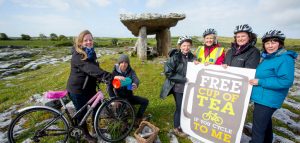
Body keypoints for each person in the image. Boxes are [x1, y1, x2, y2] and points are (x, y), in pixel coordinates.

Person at [249, 30, 297, 143]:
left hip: (268, 100)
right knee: (265, 127)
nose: (270, 45)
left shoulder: (284, 58)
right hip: (263, 97)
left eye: (273, 42)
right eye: (267, 43)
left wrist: (260, 82)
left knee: (257, 131)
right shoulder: (270, 57)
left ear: (280, 44)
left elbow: (286, 81)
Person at [66, 30, 113, 142]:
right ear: (80, 42)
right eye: (85, 40)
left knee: (97, 107)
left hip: (89, 88)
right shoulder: (78, 56)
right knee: (82, 115)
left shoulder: (91, 53)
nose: (88, 42)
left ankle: (96, 128)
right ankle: (86, 135)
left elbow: (95, 70)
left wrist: (101, 78)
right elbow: (89, 69)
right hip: (78, 90)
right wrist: (109, 76)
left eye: (90, 40)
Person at [160, 36, 196, 137]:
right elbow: (168, 73)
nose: (186, 48)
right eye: (184, 45)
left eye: (188, 45)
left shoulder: (192, 57)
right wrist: (183, 79)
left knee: (187, 107)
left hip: (189, 87)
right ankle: (176, 128)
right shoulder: (175, 58)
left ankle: (185, 125)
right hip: (178, 87)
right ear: (180, 46)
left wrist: (198, 64)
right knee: (180, 107)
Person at [107, 54, 149, 126]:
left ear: (128, 63)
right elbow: (109, 87)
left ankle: (138, 118)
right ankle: (125, 122)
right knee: (120, 117)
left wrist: (135, 84)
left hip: (129, 96)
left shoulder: (130, 71)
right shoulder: (114, 73)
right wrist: (114, 99)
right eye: (122, 62)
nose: (124, 64)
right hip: (119, 98)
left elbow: (135, 78)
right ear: (119, 63)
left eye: (126, 62)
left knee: (145, 101)